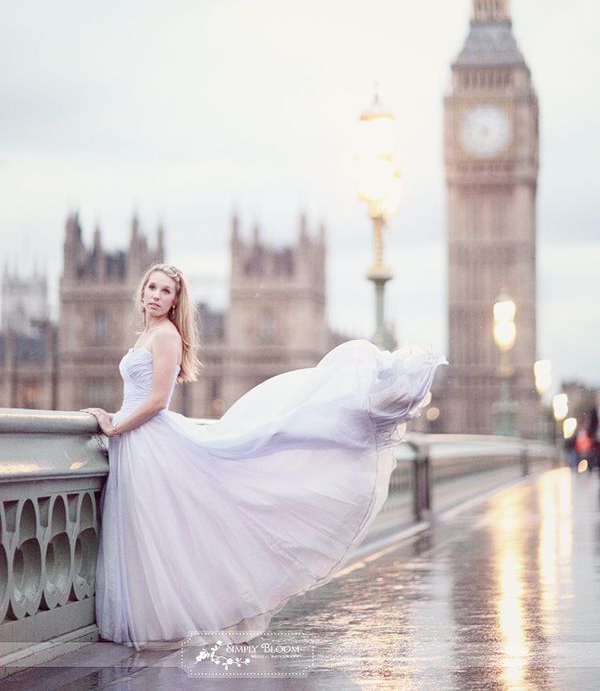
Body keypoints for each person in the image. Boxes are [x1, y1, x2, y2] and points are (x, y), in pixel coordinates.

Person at [82, 263, 447, 651]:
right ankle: (150, 614)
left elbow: (157, 400)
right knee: (149, 532)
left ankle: (177, 616)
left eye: (165, 291)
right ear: (141, 292)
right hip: (137, 445)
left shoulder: (166, 336)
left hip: (144, 439)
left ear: (176, 301)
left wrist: (115, 425)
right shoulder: (147, 335)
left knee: (170, 531)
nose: (155, 294)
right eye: (151, 287)